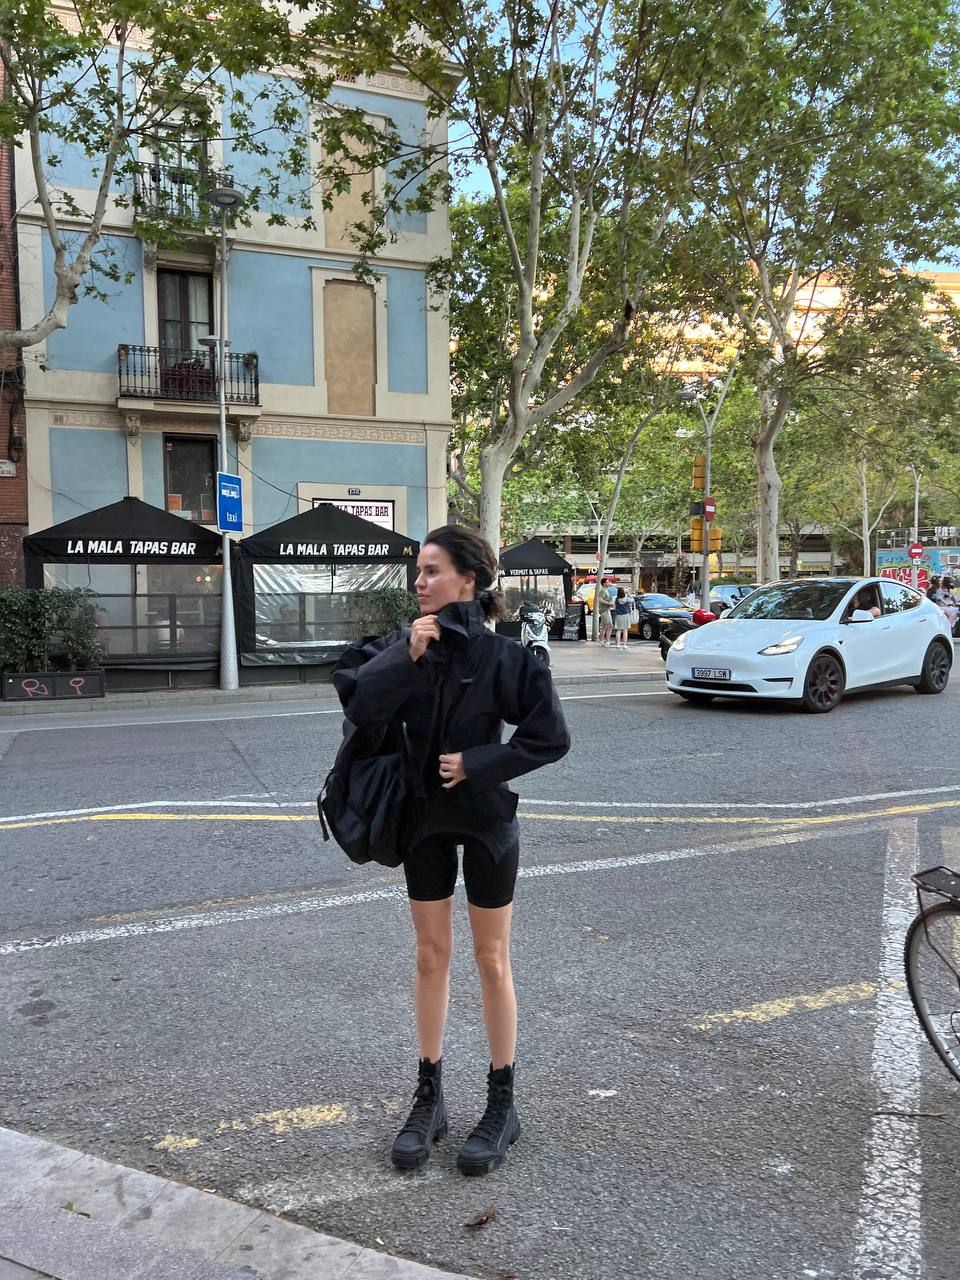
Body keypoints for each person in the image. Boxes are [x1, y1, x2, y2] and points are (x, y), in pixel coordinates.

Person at [331, 526, 570, 1177]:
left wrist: (478, 762)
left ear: (469, 580)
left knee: (492, 959)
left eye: (432, 570)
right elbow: (356, 701)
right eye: (418, 571)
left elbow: (550, 737)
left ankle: (502, 1104)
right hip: (422, 820)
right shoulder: (404, 645)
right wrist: (404, 657)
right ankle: (429, 1098)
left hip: (487, 818)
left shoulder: (506, 657)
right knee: (431, 954)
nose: (419, 582)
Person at [597, 578, 614, 645]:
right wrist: (609, 603)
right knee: (610, 626)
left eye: (608, 582)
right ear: (604, 583)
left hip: (606, 609)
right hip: (604, 610)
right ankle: (607, 641)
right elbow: (600, 600)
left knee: (604, 627)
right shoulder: (603, 591)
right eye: (607, 582)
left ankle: (601, 640)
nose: (608, 583)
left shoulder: (606, 590)